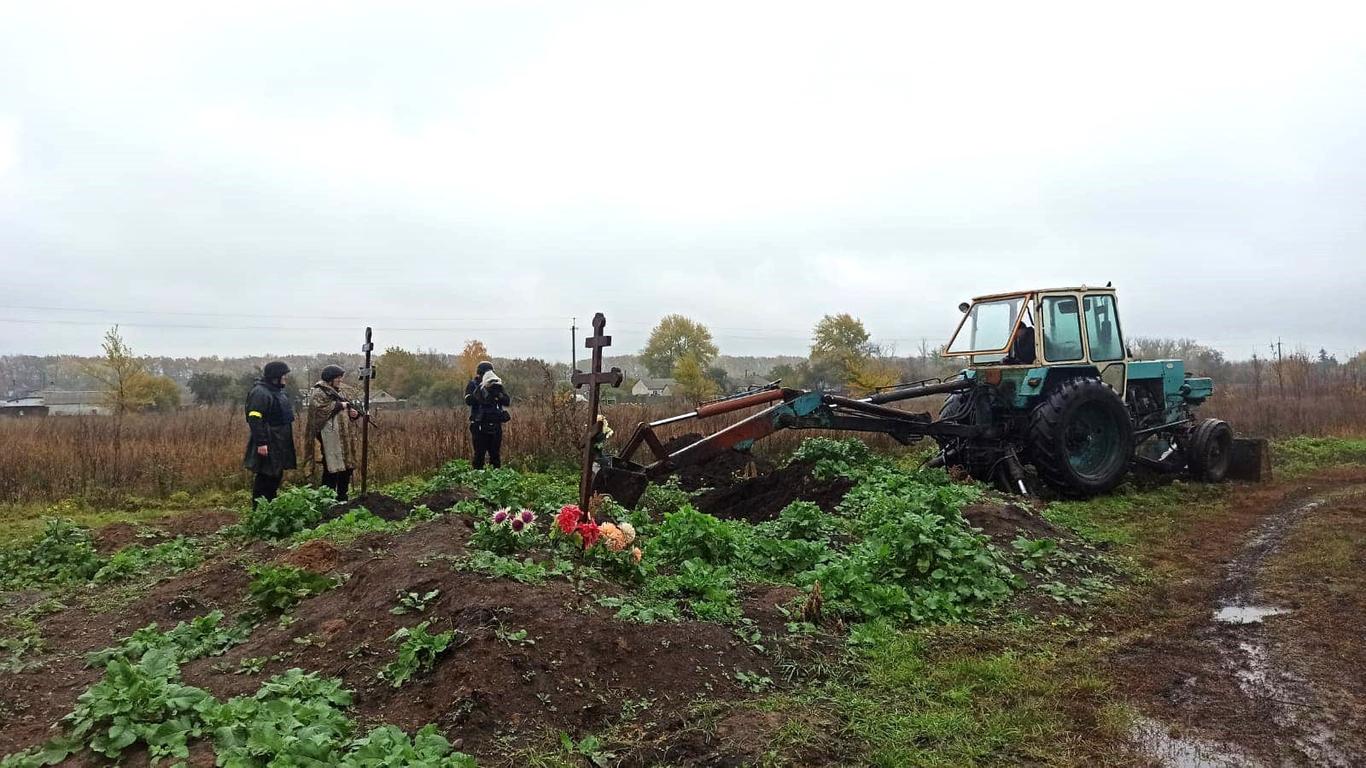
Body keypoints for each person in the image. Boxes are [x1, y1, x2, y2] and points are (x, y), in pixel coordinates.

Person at [243, 361, 298, 508]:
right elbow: (254, 418)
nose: (285, 378)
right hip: (268, 441)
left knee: (275, 476)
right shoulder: (260, 393)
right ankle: (259, 511)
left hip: (280, 442)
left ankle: (271, 508)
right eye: (283, 375)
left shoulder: (276, 391)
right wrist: (261, 443)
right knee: (265, 477)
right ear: (275, 376)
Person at [303, 364, 362, 501]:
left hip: (344, 437)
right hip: (329, 437)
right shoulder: (319, 392)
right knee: (331, 467)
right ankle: (327, 498)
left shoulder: (339, 392)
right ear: (330, 379)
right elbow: (318, 411)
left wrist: (353, 413)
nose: (340, 380)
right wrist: (340, 406)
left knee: (347, 467)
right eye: (338, 378)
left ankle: (343, 496)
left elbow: (348, 408)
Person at [464, 360, 510, 469]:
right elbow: (469, 401)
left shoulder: (496, 385)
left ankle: (496, 481)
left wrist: (498, 394)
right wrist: (481, 391)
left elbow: (507, 401)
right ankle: (477, 480)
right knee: (479, 456)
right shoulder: (473, 385)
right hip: (479, 425)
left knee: (495, 456)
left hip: (495, 425)